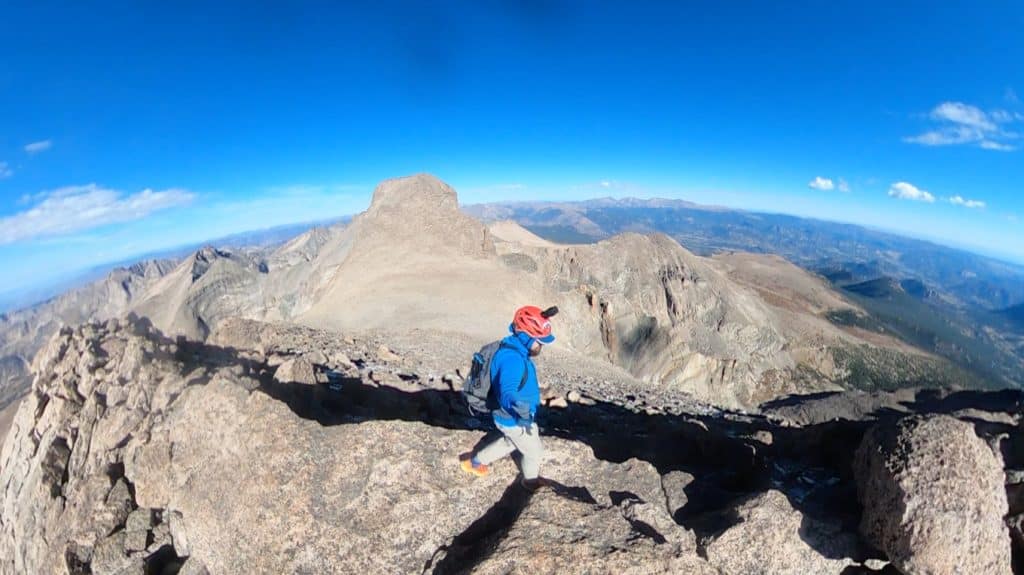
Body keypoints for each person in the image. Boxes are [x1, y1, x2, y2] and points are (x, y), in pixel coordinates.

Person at [460, 305, 554, 490]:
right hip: (516, 419)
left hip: (509, 417)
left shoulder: (513, 349)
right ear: (525, 336)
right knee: (535, 452)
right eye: (539, 340)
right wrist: (521, 411)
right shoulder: (512, 359)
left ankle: (475, 462)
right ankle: (530, 481)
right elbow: (508, 392)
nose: (541, 345)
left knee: (511, 441)